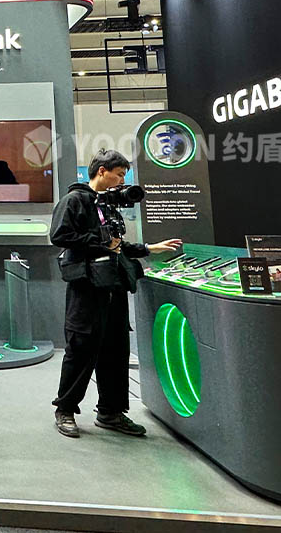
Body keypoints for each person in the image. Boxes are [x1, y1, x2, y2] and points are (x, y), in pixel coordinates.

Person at [50, 149, 183, 438]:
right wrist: (98, 241)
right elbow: (59, 236)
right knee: (81, 349)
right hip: (87, 287)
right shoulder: (75, 200)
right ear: (102, 171)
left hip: (114, 285)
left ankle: (111, 412)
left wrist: (148, 249)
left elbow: (116, 245)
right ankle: (65, 410)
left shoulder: (108, 205)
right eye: (119, 174)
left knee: (115, 350)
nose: (122, 180)